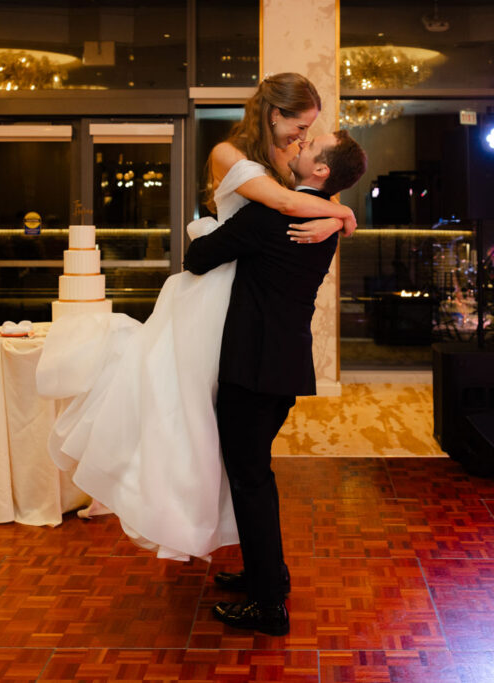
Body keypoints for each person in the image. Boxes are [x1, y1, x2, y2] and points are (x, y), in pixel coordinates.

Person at [38, 73, 356, 562]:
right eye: (301, 126)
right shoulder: (236, 158)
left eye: (310, 134)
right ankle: (222, 546)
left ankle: (248, 570)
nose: (303, 137)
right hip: (227, 304)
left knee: (226, 448)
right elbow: (293, 202)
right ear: (276, 114)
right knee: (189, 421)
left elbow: (295, 201)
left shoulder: (287, 177)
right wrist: (343, 215)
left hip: (244, 312)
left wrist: (336, 212)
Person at [184, 130, 368, 636]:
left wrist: (202, 227)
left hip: (253, 367)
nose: (297, 149)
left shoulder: (274, 213)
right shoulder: (325, 219)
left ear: (321, 170)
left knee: (250, 480)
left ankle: (268, 604)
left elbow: (197, 259)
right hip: (283, 366)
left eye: (309, 147)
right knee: (254, 474)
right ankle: (267, 573)